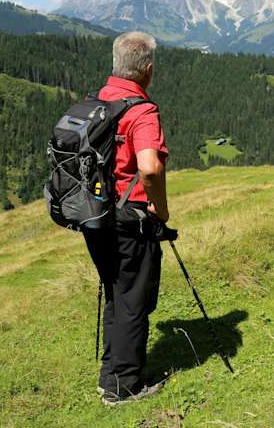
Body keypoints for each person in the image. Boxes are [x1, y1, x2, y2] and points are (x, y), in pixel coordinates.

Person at [85, 31, 175, 405]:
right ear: (148, 70)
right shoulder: (140, 111)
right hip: (130, 220)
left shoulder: (100, 100)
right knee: (134, 299)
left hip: (96, 214)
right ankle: (123, 387)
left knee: (117, 294)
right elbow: (150, 168)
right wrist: (161, 210)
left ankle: (114, 371)